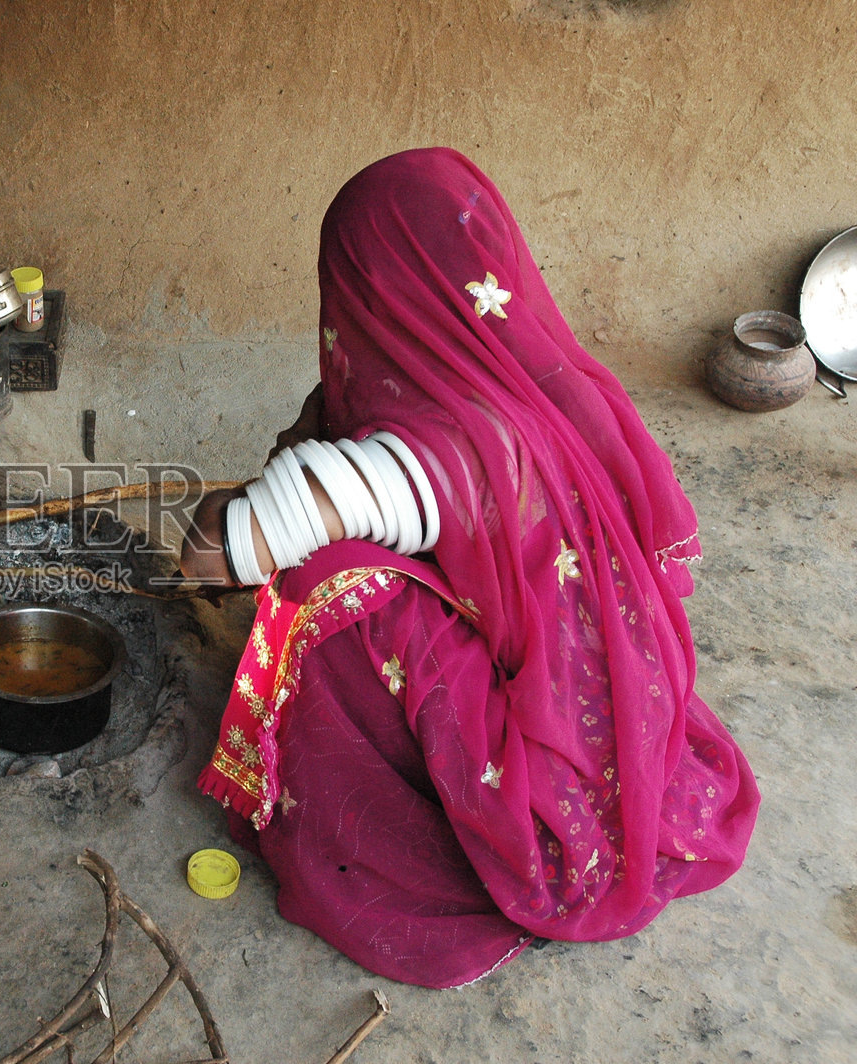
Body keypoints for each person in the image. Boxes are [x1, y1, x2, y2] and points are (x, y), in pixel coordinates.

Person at [178, 147, 759, 988]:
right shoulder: (548, 391)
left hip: (539, 808)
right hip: (617, 731)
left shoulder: (395, 460)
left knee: (325, 585)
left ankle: (398, 831)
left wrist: (298, 454)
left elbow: (208, 559)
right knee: (367, 555)